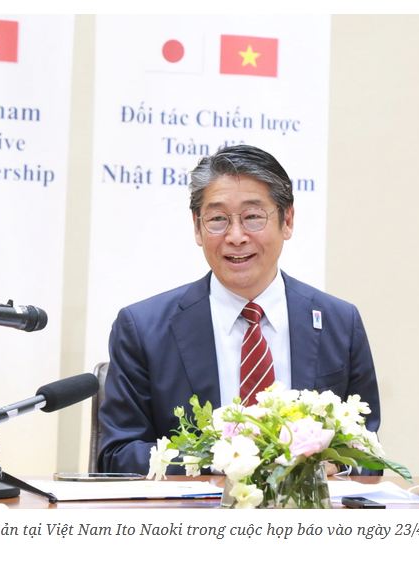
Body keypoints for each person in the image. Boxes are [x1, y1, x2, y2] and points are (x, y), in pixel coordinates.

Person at [98, 144, 380, 474]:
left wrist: (332, 466)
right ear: (197, 227)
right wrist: (221, 462)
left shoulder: (339, 323)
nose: (235, 236)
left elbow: (368, 454)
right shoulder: (143, 329)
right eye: (218, 219)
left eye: (253, 217)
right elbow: (117, 455)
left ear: (287, 220)